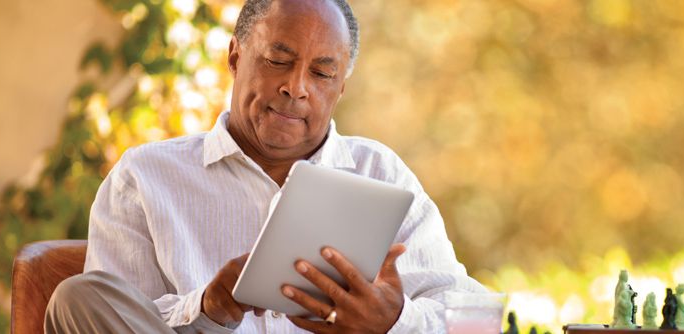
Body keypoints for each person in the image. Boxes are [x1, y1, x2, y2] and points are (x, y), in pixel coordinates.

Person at [43, 0, 487, 333]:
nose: (296, 88)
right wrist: (207, 306)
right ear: (235, 57)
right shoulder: (143, 177)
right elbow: (117, 315)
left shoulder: (380, 173)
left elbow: (473, 319)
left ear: (341, 88)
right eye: (278, 61)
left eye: (321, 73)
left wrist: (394, 320)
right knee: (77, 297)